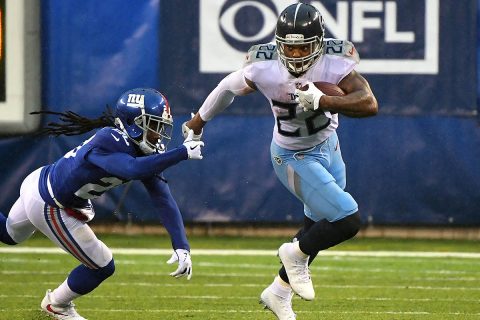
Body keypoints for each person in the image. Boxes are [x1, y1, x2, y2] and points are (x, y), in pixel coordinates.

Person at [183, 2, 378, 319]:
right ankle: (294, 252)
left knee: (317, 226)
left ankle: (278, 292)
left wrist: (324, 100)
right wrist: (197, 123)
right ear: (278, 43)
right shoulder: (264, 66)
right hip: (292, 154)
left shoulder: (334, 60)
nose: (296, 55)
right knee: (347, 219)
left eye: (303, 48)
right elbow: (226, 89)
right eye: (289, 47)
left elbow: (369, 103)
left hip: (329, 145)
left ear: (319, 44)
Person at [0, 88, 205, 320]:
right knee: (102, 264)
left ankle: (56, 304)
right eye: (153, 125)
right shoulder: (110, 139)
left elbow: (162, 197)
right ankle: (56, 305)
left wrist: (181, 245)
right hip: (51, 203)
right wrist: (182, 153)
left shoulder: (138, 146)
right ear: (132, 123)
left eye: (160, 126)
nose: (158, 134)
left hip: (41, 182)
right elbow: (132, 168)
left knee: (9, 234)